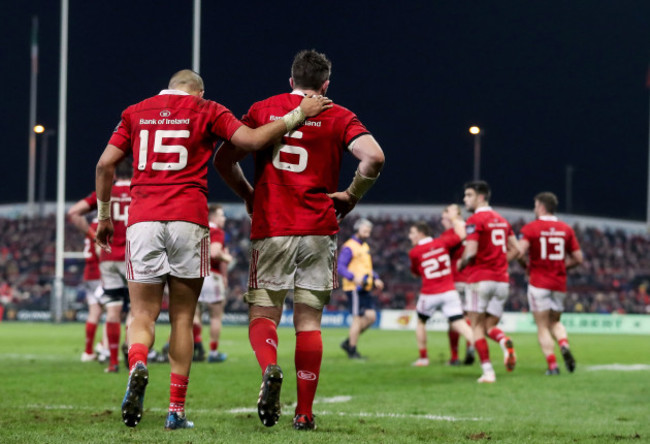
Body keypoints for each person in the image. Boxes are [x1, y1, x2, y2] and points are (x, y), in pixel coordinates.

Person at [95, 69, 331, 430]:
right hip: (189, 220)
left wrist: (104, 216)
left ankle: (138, 362)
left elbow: (105, 164)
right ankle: (175, 411)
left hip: (142, 221)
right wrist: (298, 114)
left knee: (141, 313)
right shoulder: (207, 109)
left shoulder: (135, 111)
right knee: (182, 318)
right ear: (199, 91)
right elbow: (251, 141)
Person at [214, 49, 384, 431]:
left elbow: (224, 160)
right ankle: (304, 414)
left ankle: (270, 368)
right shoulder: (338, 114)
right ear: (325, 86)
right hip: (318, 227)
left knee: (263, 314)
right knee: (309, 322)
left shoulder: (263, 109)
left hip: (273, 225)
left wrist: (248, 195)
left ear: (290, 80)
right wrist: (352, 195)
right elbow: (373, 157)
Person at [68, 159, 132, 372]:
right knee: (137, 311)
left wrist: (94, 235)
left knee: (112, 311)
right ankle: (134, 357)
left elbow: (73, 213)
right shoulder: (140, 191)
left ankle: (113, 362)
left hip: (109, 258)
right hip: (135, 258)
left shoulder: (106, 193)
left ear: (114, 174)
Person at [458, 181, 521, 383]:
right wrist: (499, 261)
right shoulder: (502, 220)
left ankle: (488, 372)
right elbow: (517, 250)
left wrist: (461, 262)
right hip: (502, 282)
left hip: (480, 280)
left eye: (468, 195)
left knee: (475, 326)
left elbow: (472, 251)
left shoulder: (475, 220)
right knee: (488, 326)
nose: (465, 199)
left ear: (481, 197)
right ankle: (504, 342)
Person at [518, 192, 583, 375]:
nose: (534, 208)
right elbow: (578, 258)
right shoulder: (566, 229)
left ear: (541, 207)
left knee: (542, 325)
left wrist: (526, 266)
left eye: (535, 205)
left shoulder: (531, 228)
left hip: (539, 282)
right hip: (558, 283)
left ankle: (553, 366)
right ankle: (564, 344)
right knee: (555, 321)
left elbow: (519, 251)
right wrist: (562, 266)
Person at [408, 220, 474, 367]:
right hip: (449, 291)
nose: (409, 236)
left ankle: (423, 358)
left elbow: (415, 273)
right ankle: (477, 345)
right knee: (460, 323)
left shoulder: (414, 252)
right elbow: (462, 235)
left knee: (420, 322)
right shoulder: (443, 242)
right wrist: (457, 219)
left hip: (429, 293)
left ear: (420, 233)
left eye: (412, 233)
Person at [338, 218, 384, 360]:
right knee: (357, 319)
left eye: (369, 231)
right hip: (354, 288)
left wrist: (376, 277)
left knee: (371, 317)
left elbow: (367, 269)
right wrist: (353, 277)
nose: (368, 234)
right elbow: (340, 267)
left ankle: (348, 342)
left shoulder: (364, 246)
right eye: (365, 231)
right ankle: (352, 350)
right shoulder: (349, 246)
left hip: (365, 287)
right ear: (358, 229)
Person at [193, 204, 233, 363]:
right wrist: (227, 257)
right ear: (213, 217)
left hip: (195, 275)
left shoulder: (197, 229)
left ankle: (196, 344)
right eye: (222, 215)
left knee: (195, 315)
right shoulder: (216, 231)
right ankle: (213, 352)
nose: (224, 218)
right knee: (215, 317)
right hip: (212, 276)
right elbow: (215, 253)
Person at [441, 204, 475, 366]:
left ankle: (455, 356)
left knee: (454, 319)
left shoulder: (452, 233)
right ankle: (470, 346)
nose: (442, 221)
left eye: (444, 216)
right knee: (468, 317)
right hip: (472, 279)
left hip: (456, 280)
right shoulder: (472, 229)